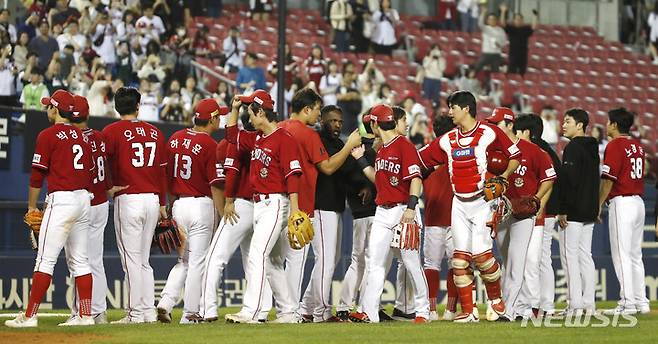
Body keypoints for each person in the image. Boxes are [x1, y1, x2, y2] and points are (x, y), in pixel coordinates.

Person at [418, 90, 521, 323]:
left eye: (453, 107)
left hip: (483, 201)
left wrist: (503, 177)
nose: (450, 112)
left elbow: (515, 155)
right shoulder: (447, 139)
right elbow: (421, 158)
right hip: (459, 203)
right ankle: (469, 310)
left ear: (466, 109)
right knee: (459, 260)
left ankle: (498, 304)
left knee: (483, 257)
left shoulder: (489, 132)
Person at [5, 90, 94, 328]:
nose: (47, 109)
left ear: (55, 110)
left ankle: (29, 316)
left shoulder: (47, 135)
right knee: (81, 261)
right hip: (83, 199)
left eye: (49, 106)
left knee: (44, 261)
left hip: (62, 200)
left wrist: (32, 206)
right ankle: (85, 315)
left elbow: (36, 177)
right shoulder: (82, 137)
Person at [222, 91, 303, 324]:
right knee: (274, 262)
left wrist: (295, 210)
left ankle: (253, 311)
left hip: (276, 203)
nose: (248, 116)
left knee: (257, 254)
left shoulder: (284, 138)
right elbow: (231, 135)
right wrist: (235, 108)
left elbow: (293, 175)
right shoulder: (256, 137)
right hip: (260, 204)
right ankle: (289, 312)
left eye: (250, 111)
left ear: (261, 112)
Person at [280, 89, 361, 322]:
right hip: (314, 204)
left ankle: (304, 307)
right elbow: (327, 167)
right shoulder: (311, 135)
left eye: (339, 121)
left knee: (321, 261)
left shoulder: (285, 129)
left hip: (301, 201)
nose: (335, 124)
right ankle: (319, 311)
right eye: (328, 118)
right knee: (318, 260)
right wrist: (349, 146)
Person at [347, 104, 429, 324]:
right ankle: (370, 312)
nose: (369, 126)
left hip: (404, 210)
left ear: (376, 122)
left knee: (411, 263)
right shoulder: (382, 148)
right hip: (383, 211)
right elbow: (379, 180)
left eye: (370, 122)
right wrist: (361, 160)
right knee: (375, 262)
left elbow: (415, 178)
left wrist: (412, 207)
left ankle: (423, 311)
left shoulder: (404, 145)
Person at [156, 99, 227, 324]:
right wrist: (222, 211)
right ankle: (190, 313)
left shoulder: (175, 138)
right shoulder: (209, 145)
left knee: (184, 261)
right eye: (218, 116)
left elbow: (166, 176)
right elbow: (216, 184)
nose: (220, 120)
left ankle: (166, 302)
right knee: (197, 262)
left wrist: (169, 205)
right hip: (201, 205)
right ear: (213, 118)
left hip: (178, 204)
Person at [102, 87, 168, 324]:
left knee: (131, 260)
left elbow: (101, 161)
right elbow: (162, 171)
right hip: (152, 199)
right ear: (138, 106)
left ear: (116, 107)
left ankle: (135, 313)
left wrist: (108, 186)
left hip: (128, 199)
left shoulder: (110, 131)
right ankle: (148, 311)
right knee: (143, 260)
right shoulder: (154, 132)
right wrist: (162, 203)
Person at [200, 110, 273, 323]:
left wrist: (229, 201)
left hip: (241, 205)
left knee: (215, 257)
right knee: (256, 262)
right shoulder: (266, 139)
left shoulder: (233, 143)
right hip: (262, 206)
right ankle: (260, 310)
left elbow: (230, 173)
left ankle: (208, 310)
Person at [497, 114, 556, 321]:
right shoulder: (493, 151)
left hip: (524, 215)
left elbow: (548, 179)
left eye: (498, 124)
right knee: (508, 261)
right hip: (502, 213)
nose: (495, 128)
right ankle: (517, 307)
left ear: (510, 126)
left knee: (519, 261)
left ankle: (514, 310)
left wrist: (536, 200)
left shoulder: (533, 151)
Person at [64, 95, 112, 325]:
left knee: (79, 261)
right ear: (88, 114)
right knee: (95, 260)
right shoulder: (100, 136)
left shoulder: (71, 139)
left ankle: (79, 312)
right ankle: (99, 311)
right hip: (102, 202)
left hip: (83, 202)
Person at [598, 108, 650, 315]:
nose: (607, 125)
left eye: (609, 122)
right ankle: (641, 302)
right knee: (635, 254)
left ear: (615, 125)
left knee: (622, 255)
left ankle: (628, 303)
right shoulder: (637, 146)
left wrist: (599, 203)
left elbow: (608, 179)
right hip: (638, 202)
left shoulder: (615, 145)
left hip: (623, 202)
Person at [556, 108, 600, 316]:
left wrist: (563, 209)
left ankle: (575, 305)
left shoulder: (572, 147)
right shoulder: (593, 147)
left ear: (580, 125)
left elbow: (569, 182)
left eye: (567, 121)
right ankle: (589, 304)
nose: (563, 125)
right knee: (586, 256)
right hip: (589, 210)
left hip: (573, 211)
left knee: (570, 257)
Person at [336, 110, 377, 320]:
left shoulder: (363, 144)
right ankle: (363, 308)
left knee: (359, 260)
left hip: (364, 211)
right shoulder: (360, 145)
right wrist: (365, 186)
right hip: (367, 211)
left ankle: (346, 306)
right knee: (368, 260)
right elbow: (349, 175)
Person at [420, 115, 457, 321]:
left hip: (433, 214)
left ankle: (432, 310)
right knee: (456, 264)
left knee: (431, 264)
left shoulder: (426, 153)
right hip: (456, 215)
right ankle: (451, 310)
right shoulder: (459, 151)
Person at [527, 114, 562, 317]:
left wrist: (542, 206)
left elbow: (549, 182)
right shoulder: (547, 150)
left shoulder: (539, 151)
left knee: (540, 258)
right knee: (540, 258)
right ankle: (544, 304)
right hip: (547, 209)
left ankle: (545, 305)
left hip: (544, 211)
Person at [499, 4, 538, 75]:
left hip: (523, 55)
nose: (518, 21)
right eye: (517, 19)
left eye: (520, 19)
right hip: (513, 55)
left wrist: (534, 16)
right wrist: (503, 12)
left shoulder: (525, 29)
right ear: (514, 20)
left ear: (522, 20)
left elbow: (533, 27)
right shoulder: (511, 29)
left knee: (522, 73)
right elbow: (503, 23)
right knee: (511, 73)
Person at [473, 9, 507, 73]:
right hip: (486, 53)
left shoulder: (500, 30)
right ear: (488, 20)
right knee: (477, 68)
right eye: (490, 19)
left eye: (493, 19)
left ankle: (491, 81)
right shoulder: (485, 28)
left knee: (495, 72)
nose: (492, 21)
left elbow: (504, 42)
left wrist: (499, 44)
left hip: (496, 54)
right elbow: (480, 24)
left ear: (496, 20)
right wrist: (483, 13)